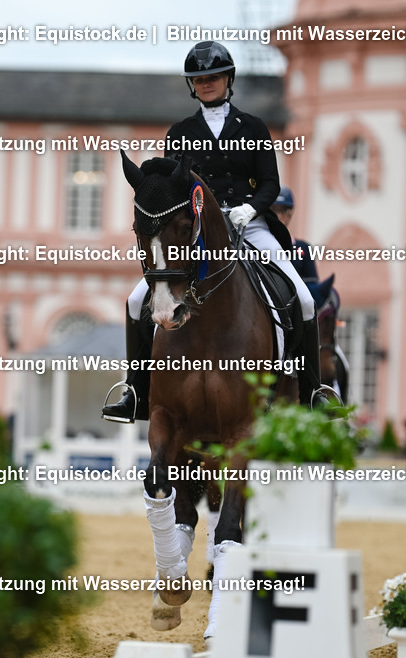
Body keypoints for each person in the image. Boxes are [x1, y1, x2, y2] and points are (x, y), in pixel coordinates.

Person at [102, 41, 323, 422]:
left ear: (227, 79)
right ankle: (136, 390)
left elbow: (270, 184)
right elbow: (174, 188)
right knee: (137, 301)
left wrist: (249, 209)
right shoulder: (180, 131)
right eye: (199, 79)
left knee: (303, 297)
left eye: (213, 77)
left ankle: (311, 392)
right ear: (193, 85)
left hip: (248, 224)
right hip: (198, 228)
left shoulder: (253, 126)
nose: (206, 84)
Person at [271, 186, 319, 284]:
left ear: (290, 214)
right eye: (274, 209)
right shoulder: (255, 245)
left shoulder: (303, 248)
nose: (278, 215)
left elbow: (313, 286)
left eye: (282, 210)